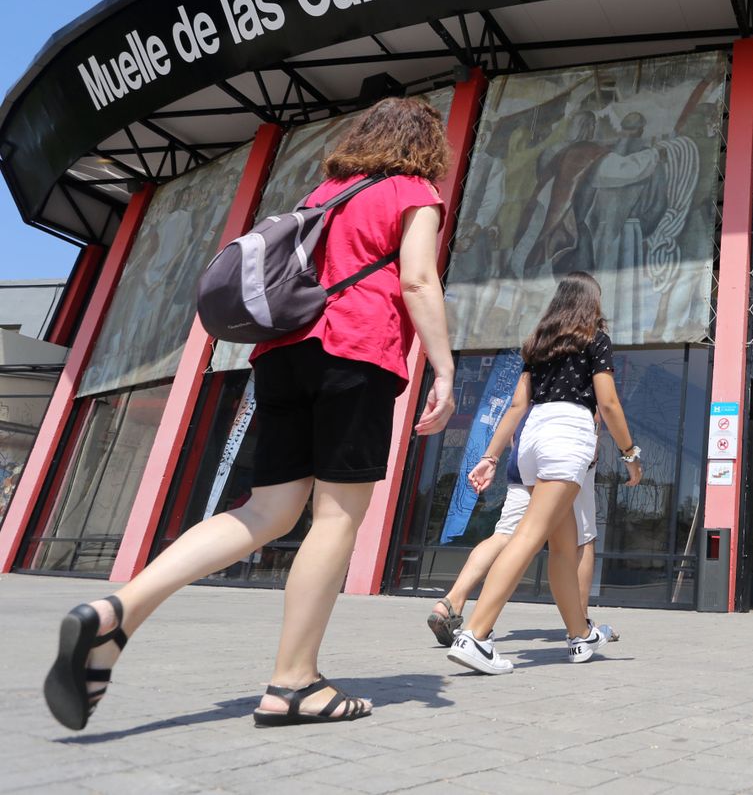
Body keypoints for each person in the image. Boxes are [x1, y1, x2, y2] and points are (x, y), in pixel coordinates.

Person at [44, 96, 458, 730]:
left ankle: (117, 611)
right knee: (336, 517)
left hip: (282, 355)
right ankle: (294, 683)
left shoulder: (325, 194)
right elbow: (418, 281)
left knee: (264, 511)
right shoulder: (413, 190)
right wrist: (445, 370)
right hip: (356, 352)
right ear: (425, 144)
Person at [447, 272, 642, 674]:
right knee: (529, 536)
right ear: (592, 301)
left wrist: (490, 456)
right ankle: (476, 636)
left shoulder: (538, 344)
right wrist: (630, 453)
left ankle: (580, 634)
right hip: (567, 435)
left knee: (563, 546)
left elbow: (517, 408)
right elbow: (607, 403)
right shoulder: (594, 339)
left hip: (533, 438)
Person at [425, 413, 612, 647]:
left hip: (527, 448)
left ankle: (451, 602)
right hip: (566, 450)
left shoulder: (528, 375)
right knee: (583, 539)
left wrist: (492, 456)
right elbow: (596, 403)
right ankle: (581, 625)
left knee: (504, 534)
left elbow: (517, 405)